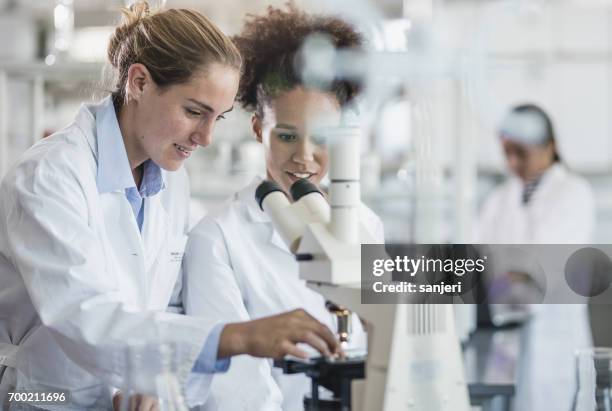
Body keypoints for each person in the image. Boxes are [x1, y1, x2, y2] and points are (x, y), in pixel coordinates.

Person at [0, 3, 341, 410]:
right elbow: (86, 316)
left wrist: (151, 381)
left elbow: (161, 304)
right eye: (194, 112)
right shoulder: (49, 176)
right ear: (139, 83)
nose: (206, 137)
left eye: (217, 117)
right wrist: (238, 336)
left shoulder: (171, 179)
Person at [182, 6, 384, 410]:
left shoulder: (363, 222)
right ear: (259, 129)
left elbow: (381, 341)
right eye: (287, 136)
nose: (304, 157)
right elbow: (236, 390)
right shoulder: (217, 239)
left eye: (322, 137)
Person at [477, 103, 595, 410]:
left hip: (553, 342)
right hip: (502, 343)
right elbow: (476, 261)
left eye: (522, 153)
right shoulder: (500, 198)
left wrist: (508, 275)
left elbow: (543, 272)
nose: (513, 162)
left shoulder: (573, 194)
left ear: (549, 147)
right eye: (507, 153)